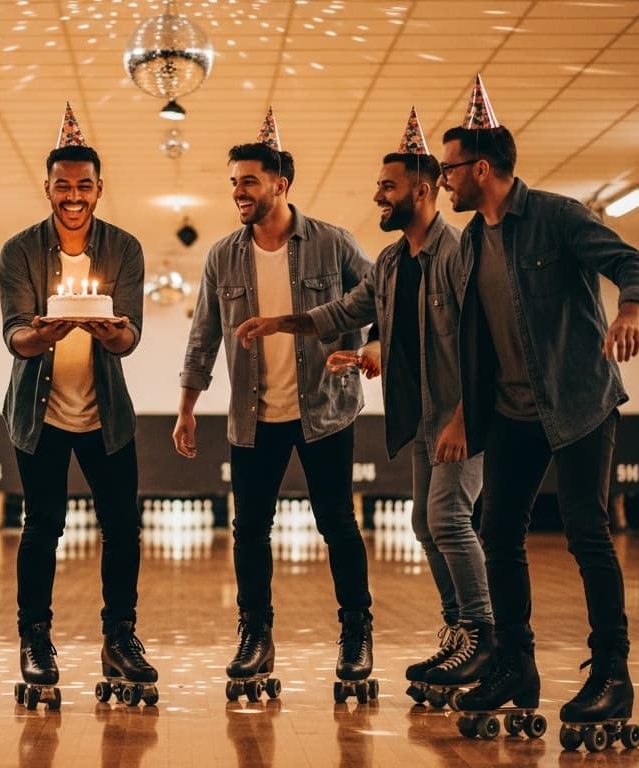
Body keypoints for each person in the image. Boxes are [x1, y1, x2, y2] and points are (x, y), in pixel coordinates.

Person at [235, 108, 494, 705]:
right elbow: (345, 313)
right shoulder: (391, 261)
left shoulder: (457, 254)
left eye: (388, 186)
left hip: (460, 416)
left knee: (451, 520)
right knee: (425, 523)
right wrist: (283, 322)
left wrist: (463, 417)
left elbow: (480, 339)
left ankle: (484, 635)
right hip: (425, 417)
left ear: (422, 189)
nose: (378, 195)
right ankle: (459, 633)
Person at [435, 76, 639, 733]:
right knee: (497, 531)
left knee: (587, 531)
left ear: (481, 169)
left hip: (580, 400)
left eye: (449, 171)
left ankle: (612, 673)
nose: (444, 182)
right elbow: (471, 339)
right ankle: (515, 664)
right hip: (510, 412)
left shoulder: (558, 217)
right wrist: (460, 412)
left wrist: (630, 311)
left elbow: (631, 261)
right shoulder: (471, 243)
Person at [174, 109, 377, 703]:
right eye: (234, 181)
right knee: (249, 530)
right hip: (253, 415)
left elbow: (380, 301)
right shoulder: (222, 256)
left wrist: (369, 350)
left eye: (249, 181)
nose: (238, 191)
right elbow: (202, 337)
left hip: (327, 408)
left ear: (280, 184)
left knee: (338, 522)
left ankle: (356, 635)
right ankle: (255, 636)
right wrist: (187, 408)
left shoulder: (335, 244)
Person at [0, 103, 156, 707]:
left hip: (105, 415)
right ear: (47, 188)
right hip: (36, 416)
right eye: (62, 185)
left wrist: (112, 332)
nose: (73, 195)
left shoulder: (124, 248)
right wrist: (46, 332)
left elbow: (130, 335)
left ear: (98, 189)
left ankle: (120, 636)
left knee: (122, 528)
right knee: (43, 527)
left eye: (83, 185)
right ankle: (34, 638)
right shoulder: (19, 251)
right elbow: (14, 335)